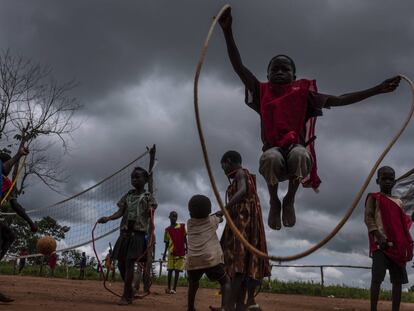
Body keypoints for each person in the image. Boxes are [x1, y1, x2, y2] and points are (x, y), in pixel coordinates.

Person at [218, 7, 401, 230]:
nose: (279, 72)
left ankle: (290, 199)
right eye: (274, 69)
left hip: (295, 150)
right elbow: (238, 67)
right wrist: (227, 32)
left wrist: (376, 90)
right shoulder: (261, 90)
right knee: (270, 158)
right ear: (267, 75)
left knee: (300, 154)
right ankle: (275, 200)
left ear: (294, 75)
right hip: (273, 151)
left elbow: (339, 99)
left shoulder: (304, 94)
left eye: (285, 69)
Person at [98, 167, 157, 305]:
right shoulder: (128, 195)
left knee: (130, 263)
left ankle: (126, 296)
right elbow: (120, 211)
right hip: (124, 233)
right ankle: (130, 289)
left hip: (138, 234)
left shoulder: (148, 197)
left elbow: (152, 211)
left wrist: (151, 210)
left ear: (146, 180)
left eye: (137, 177)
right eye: (132, 177)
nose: (134, 179)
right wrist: (108, 218)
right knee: (121, 264)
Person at [220, 151, 270, 311]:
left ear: (229, 161)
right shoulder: (241, 176)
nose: (223, 171)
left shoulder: (242, 173)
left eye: (223, 166)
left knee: (239, 264)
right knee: (239, 264)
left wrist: (224, 208)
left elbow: (241, 191)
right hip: (240, 224)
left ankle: (228, 306)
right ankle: (239, 305)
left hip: (243, 225)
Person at [365, 166, 413, 311]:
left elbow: (403, 222)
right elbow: (369, 218)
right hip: (381, 245)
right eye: (384, 178)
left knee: (397, 281)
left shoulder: (399, 202)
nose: (387, 182)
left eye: (390, 179)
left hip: (398, 246)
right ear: (377, 180)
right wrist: (378, 236)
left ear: (394, 181)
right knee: (377, 278)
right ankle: (373, 308)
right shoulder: (374, 198)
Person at [0, 147, 37, 303]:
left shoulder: (7, 182)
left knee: (9, 236)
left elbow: (15, 206)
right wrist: (19, 154)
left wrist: (30, 222)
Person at [186, 194, 231, 311]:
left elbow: (204, 218)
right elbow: (220, 218)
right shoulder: (212, 221)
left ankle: (190, 308)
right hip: (210, 260)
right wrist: (218, 214)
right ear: (209, 211)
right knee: (225, 282)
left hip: (193, 261)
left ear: (190, 213)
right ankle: (224, 308)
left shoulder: (189, 224)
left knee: (193, 284)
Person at [163, 211, 187, 294]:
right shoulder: (167, 230)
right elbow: (166, 242)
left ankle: (174, 289)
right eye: (172, 216)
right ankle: (168, 288)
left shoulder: (182, 227)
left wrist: (186, 248)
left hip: (180, 250)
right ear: (169, 217)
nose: (174, 218)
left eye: (175, 216)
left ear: (177, 218)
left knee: (177, 270)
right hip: (171, 252)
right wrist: (164, 253)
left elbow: (184, 238)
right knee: (170, 270)